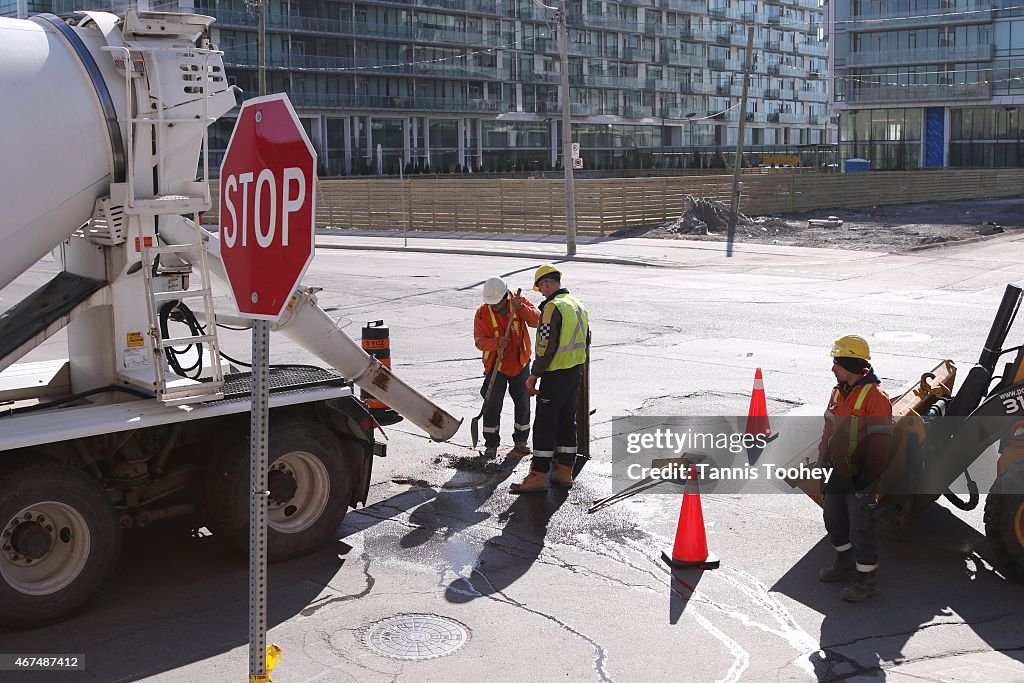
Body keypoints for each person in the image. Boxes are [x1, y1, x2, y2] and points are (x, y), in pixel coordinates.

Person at [816, 334, 893, 602]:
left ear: (848, 363)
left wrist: (868, 479)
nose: (832, 368)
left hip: (860, 476)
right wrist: (821, 463)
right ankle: (844, 563)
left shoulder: (876, 397)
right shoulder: (837, 392)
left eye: (836, 362)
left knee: (862, 528)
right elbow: (828, 431)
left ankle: (866, 580)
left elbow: (881, 443)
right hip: (837, 472)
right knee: (834, 520)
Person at [511, 264, 591, 493]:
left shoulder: (551, 308)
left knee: (545, 424)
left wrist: (534, 374)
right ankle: (565, 471)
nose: (542, 293)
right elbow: (585, 340)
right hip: (574, 373)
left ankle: (538, 475)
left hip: (554, 375)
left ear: (547, 283)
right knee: (568, 421)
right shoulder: (577, 305)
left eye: (541, 288)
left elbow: (545, 346)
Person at [474, 276, 540, 459]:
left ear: (505, 297)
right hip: (496, 365)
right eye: (491, 304)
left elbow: (537, 321)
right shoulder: (482, 312)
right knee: (492, 404)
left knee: (523, 402)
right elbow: (479, 341)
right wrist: (496, 343)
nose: (494, 307)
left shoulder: (517, 302)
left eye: (497, 303)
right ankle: (491, 444)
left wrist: (522, 309)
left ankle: (521, 440)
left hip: (519, 362)